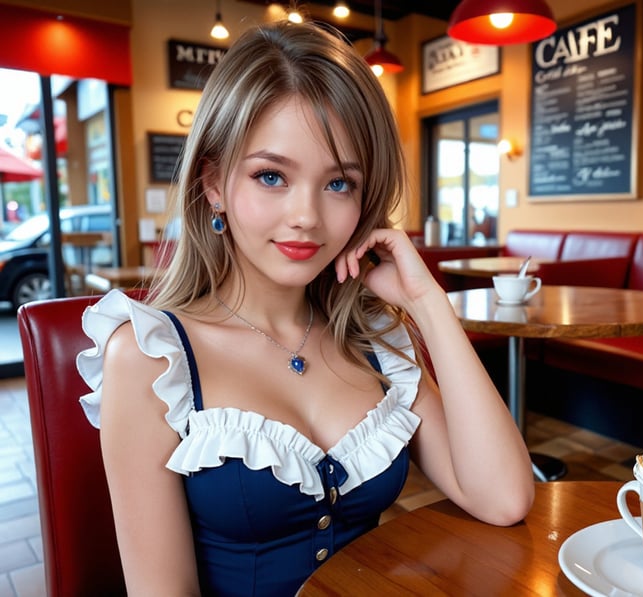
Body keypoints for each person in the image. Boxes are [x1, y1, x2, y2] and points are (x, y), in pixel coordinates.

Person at [77, 20, 534, 597]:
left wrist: (429, 305)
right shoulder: (151, 359)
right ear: (214, 182)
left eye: (339, 184)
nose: (307, 216)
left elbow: (503, 497)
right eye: (272, 176)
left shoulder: (373, 339)